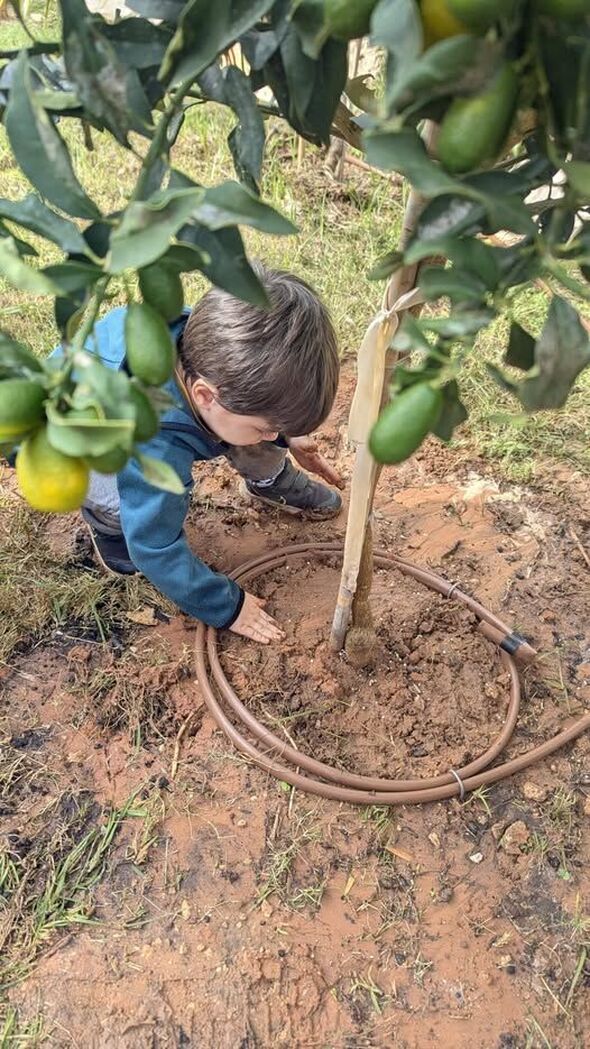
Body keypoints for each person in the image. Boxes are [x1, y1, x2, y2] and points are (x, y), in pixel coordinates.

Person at [80, 265, 343, 644]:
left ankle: (267, 479)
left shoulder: (223, 351)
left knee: (248, 427)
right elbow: (155, 548)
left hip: (190, 405)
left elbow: (255, 410)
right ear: (204, 396)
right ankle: (107, 524)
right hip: (89, 440)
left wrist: (288, 434)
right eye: (269, 426)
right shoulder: (155, 443)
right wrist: (226, 606)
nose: (274, 434)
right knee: (124, 504)